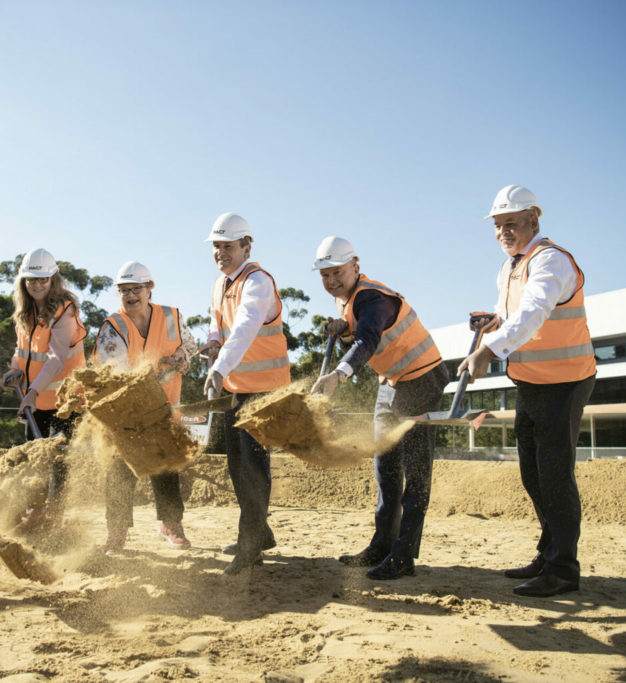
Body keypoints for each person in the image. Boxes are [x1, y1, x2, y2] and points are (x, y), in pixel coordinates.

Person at [457, 185, 596, 598]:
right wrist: (492, 323)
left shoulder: (551, 260)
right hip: (533, 383)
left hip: (565, 381)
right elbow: (512, 316)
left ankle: (563, 569)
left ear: (534, 219)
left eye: (512, 223)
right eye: (498, 226)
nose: (503, 232)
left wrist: (488, 350)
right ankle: (548, 551)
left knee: (554, 476)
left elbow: (534, 313)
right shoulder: (510, 267)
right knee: (533, 475)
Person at [310, 236, 449, 580]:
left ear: (355, 267)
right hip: (391, 383)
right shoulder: (349, 302)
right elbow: (359, 336)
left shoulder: (373, 297)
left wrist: (337, 376)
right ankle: (382, 544)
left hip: (422, 380)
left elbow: (369, 339)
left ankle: (404, 556)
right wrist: (342, 332)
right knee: (384, 467)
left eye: (337, 272)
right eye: (325, 275)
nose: (331, 281)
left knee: (415, 472)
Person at [200, 212, 291, 574]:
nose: (220, 252)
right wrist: (211, 343)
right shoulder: (220, 284)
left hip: (265, 392)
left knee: (253, 468)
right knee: (236, 466)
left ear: (246, 247)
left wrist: (220, 367)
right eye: (216, 246)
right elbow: (218, 323)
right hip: (238, 388)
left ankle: (250, 545)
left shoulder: (258, 282)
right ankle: (260, 533)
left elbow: (246, 326)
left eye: (227, 246)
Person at [93, 260, 196, 553]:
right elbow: (118, 374)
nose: (131, 296)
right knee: (119, 470)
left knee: (166, 465)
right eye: (124, 290)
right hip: (125, 414)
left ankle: (171, 524)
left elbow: (188, 345)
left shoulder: (171, 316)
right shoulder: (114, 327)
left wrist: (180, 359)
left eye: (136, 288)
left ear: (150, 288)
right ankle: (117, 532)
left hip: (164, 410)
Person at [1, 248, 86, 441]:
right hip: (34, 401)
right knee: (35, 460)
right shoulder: (25, 310)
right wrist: (14, 369)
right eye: (31, 279)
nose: (37, 285)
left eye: (43, 279)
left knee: (60, 464)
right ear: (23, 281)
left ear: (53, 279)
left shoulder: (65, 310)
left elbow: (56, 359)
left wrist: (32, 392)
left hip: (64, 404)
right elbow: (21, 349)